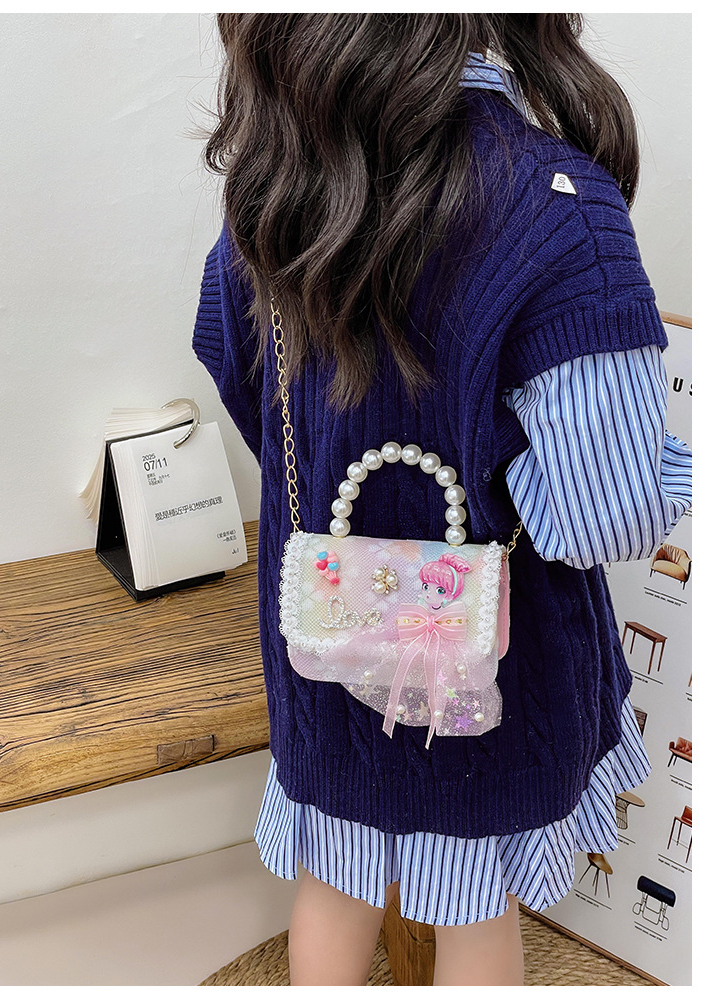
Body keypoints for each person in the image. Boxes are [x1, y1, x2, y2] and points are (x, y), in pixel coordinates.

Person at [192, 14, 691, 987]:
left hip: (324, 650)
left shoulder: (276, 190)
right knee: (478, 907)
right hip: (494, 687)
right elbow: (601, 515)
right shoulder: (559, 206)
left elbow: (238, 371)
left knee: (331, 884)